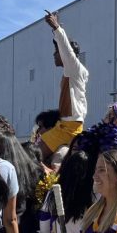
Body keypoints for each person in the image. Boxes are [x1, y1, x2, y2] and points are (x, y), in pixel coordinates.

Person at [37, 12, 89, 163]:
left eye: (56, 52)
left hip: (69, 128)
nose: (54, 55)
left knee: (32, 157)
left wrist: (56, 28)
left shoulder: (75, 69)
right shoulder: (71, 73)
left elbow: (67, 50)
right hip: (64, 126)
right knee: (32, 151)